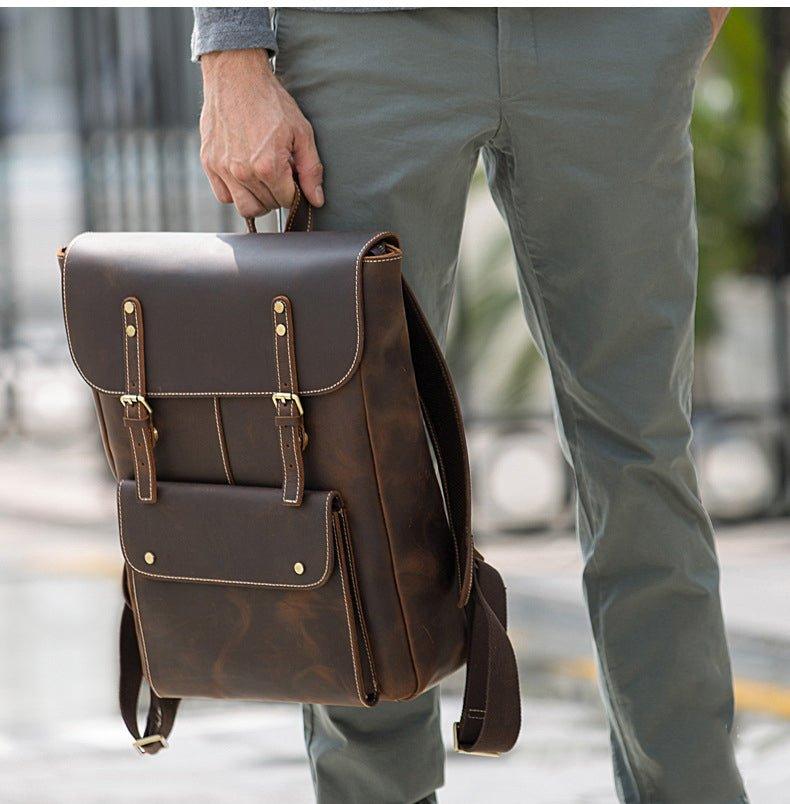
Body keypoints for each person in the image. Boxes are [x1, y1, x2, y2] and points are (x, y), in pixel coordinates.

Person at [192, 8, 746, 804]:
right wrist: (229, 49)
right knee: (358, 463)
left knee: (643, 452)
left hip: (613, 36)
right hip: (366, 37)